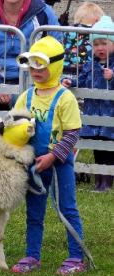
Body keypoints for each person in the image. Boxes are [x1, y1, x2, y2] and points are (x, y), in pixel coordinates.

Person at [0, 36, 87, 276]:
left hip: (58, 163)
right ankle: (32, 255)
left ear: (56, 65)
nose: (35, 71)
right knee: (34, 211)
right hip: (33, 165)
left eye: (42, 65)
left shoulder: (65, 98)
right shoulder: (27, 96)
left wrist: (53, 156)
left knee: (67, 208)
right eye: (32, 65)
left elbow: (72, 133)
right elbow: (10, 126)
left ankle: (76, 256)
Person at [0, 0, 62, 132]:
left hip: (32, 81)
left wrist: (37, 80)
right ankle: (3, 141)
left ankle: (19, 144)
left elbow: (57, 49)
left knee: (22, 107)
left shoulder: (44, 13)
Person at [62, 15, 114, 192]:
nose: (100, 48)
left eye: (104, 44)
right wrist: (72, 82)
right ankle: (99, 181)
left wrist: (112, 77)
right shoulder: (90, 64)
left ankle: (106, 182)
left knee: (108, 149)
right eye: (97, 44)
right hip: (94, 113)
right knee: (97, 148)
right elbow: (83, 79)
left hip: (110, 114)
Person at [63, 2, 104, 78]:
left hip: (66, 70)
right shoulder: (96, 33)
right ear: (97, 20)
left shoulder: (67, 31)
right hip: (87, 72)